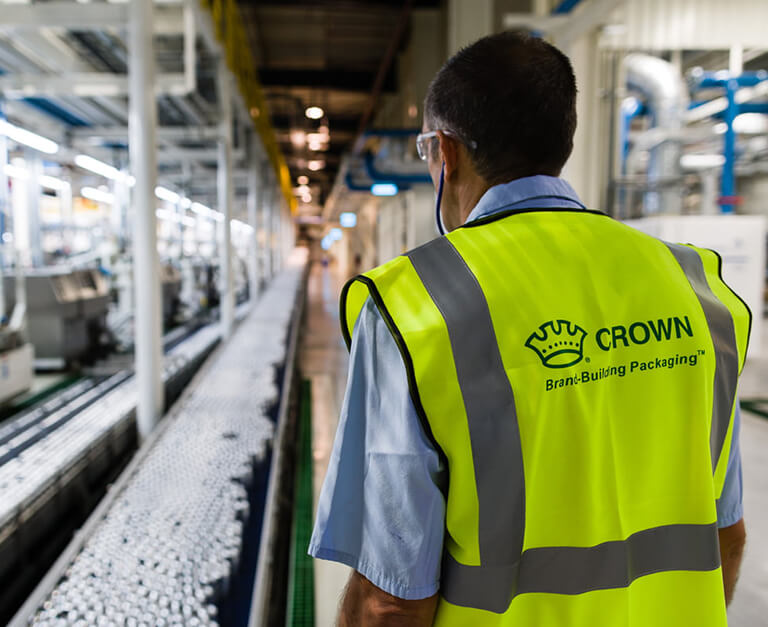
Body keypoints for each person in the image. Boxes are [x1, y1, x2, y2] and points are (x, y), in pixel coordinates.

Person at [309, 31, 748, 626]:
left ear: (446, 151)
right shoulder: (696, 289)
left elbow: (390, 600)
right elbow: (725, 537)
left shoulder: (413, 309)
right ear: (562, 142)